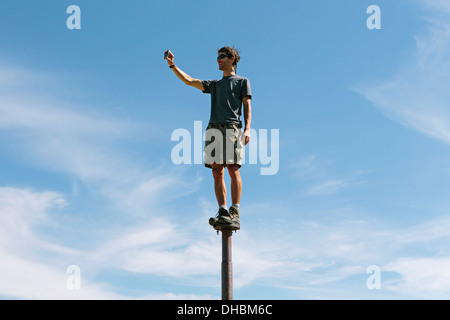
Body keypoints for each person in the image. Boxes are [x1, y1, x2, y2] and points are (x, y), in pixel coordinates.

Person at [164, 46, 252, 230]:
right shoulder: (215, 85)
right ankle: (222, 210)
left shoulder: (243, 81)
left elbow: (247, 106)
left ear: (232, 59)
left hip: (232, 127)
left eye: (222, 57)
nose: (218, 59)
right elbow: (189, 81)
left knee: (233, 168)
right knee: (216, 170)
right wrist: (172, 65)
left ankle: (235, 210)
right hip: (213, 128)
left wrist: (247, 129)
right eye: (217, 57)